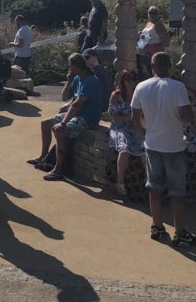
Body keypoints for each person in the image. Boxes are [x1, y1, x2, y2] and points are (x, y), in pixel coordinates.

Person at [131, 53, 196, 248]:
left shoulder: (141, 86)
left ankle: (157, 226)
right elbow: (187, 116)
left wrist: (144, 132)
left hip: (152, 144)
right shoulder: (177, 87)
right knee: (177, 192)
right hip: (174, 145)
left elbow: (134, 115)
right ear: (169, 66)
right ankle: (180, 232)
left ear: (152, 67)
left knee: (154, 187)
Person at [31, 53, 104, 182]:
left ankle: (58, 169)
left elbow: (76, 105)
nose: (69, 69)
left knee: (60, 131)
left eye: (70, 66)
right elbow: (65, 98)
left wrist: (63, 123)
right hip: (76, 114)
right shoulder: (77, 78)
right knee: (45, 124)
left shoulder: (91, 81)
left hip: (87, 118)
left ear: (77, 66)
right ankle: (43, 156)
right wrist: (69, 81)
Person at [108, 69, 145, 195]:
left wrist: (136, 120)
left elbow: (143, 115)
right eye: (127, 79)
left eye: (133, 79)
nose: (131, 82)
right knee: (124, 149)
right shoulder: (116, 96)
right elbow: (116, 118)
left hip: (135, 126)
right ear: (123, 80)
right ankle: (120, 183)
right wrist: (132, 117)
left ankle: (150, 180)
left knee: (144, 148)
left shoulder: (139, 95)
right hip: (120, 127)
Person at [137, 6, 170, 77]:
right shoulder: (148, 24)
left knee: (154, 73)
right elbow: (143, 40)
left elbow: (166, 41)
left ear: (158, 14)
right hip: (144, 52)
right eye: (150, 13)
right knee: (145, 74)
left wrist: (159, 47)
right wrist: (140, 36)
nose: (152, 14)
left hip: (154, 53)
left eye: (154, 13)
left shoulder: (158, 24)